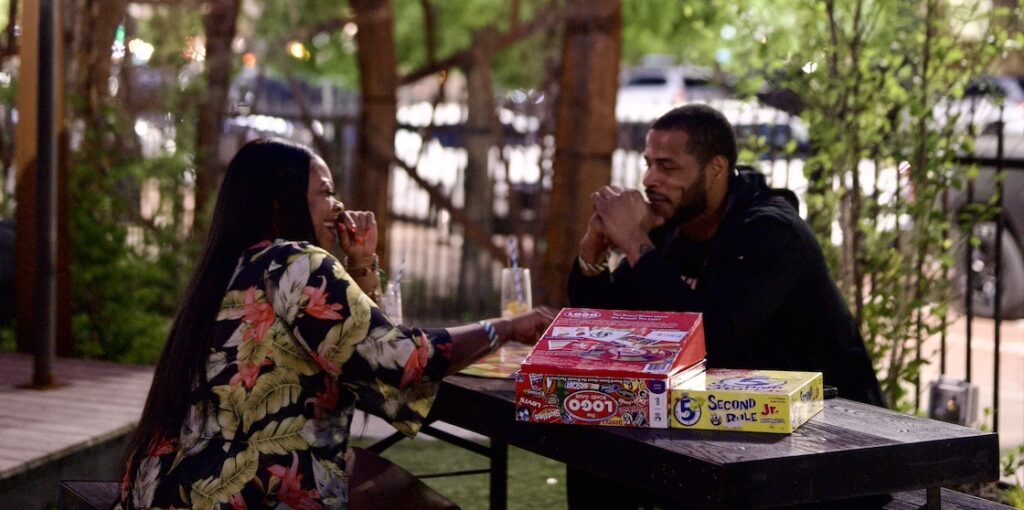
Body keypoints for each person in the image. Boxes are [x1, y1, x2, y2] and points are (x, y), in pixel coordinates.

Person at [117, 138, 554, 510]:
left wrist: (361, 263)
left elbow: (355, 345)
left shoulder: (232, 266)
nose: (339, 204)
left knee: (384, 481)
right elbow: (396, 359)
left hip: (165, 482)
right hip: (242, 487)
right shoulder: (296, 262)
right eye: (324, 192)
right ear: (279, 202)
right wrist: (508, 328)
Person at [566, 104, 886, 509]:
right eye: (648, 165)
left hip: (828, 439)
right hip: (731, 421)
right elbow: (609, 324)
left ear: (715, 169)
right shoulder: (677, 229)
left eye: (668, 167)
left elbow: (710, 335)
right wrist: (592, 253)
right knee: (594, 450)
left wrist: (634, 241)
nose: (649, 179)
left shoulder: (771, 233)